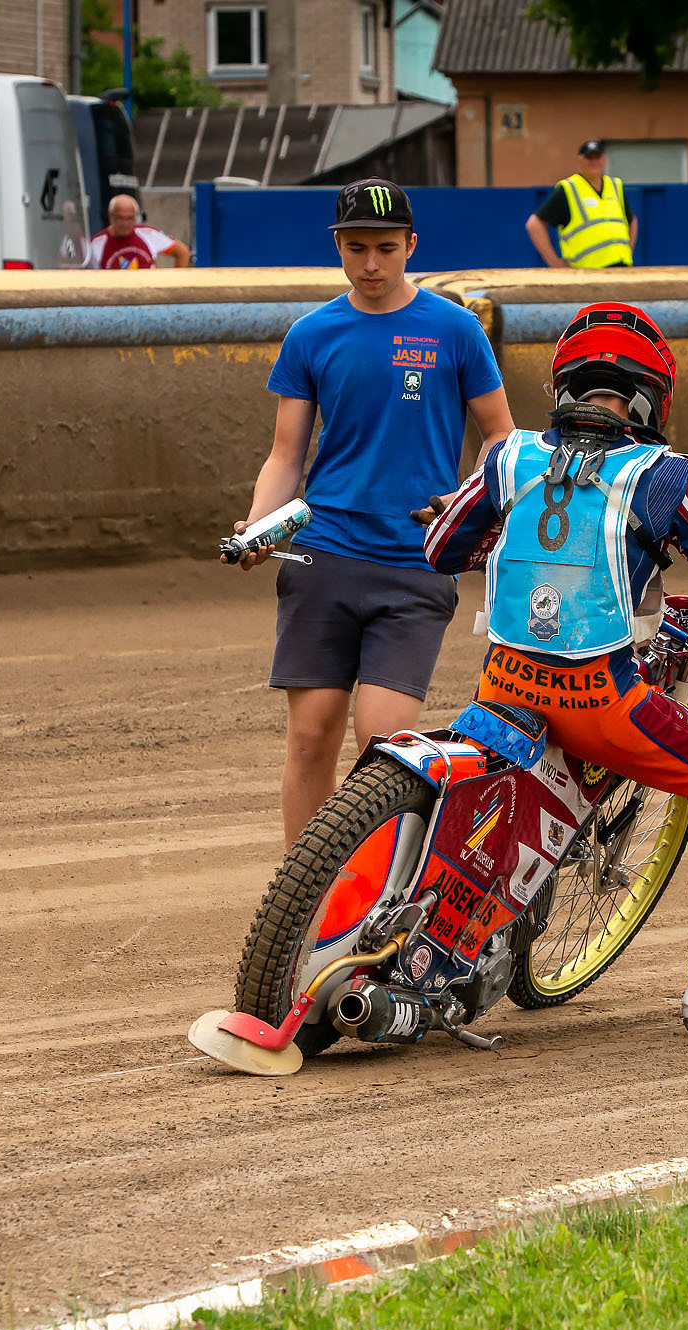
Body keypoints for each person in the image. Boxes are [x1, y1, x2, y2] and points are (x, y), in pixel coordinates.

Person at [421, 303, 688, 1037]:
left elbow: (442, 549)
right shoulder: (666, 475)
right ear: (653, 397)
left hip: (502, 685)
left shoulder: (507, 456)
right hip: (603, 700)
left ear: (564, 383)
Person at [233, 179, 517, 847]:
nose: (370, 263)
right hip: (321, 554)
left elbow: (502, 437)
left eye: (386, 248)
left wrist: (470, 500)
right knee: (310, 738)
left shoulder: (456, 329)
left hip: (416, 562)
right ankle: (309, 909)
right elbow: (285, 455)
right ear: (336, 245)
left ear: (411, 246)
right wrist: (256, 524)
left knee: (384, 747)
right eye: (355, 247)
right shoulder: (311, 336)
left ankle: (375, 896)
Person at [525, 139, 636, 269]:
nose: (594, 161)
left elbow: (632, 221)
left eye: (597, 157)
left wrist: (627, 251)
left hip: (622, 269)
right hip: (587, 273)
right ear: (580, 160)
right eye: (589, 157)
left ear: (604, 159)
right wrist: (555, 263)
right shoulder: (569, 189)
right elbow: (534, 224)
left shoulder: (615, 186)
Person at [83, 194, 189, 269]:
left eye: (129, 218)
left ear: (136, 217)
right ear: (110, 216)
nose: (125, 224)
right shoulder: (97, 244)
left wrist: (175, 285)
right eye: (120, 218)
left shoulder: (148, 234)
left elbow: (183, 252)